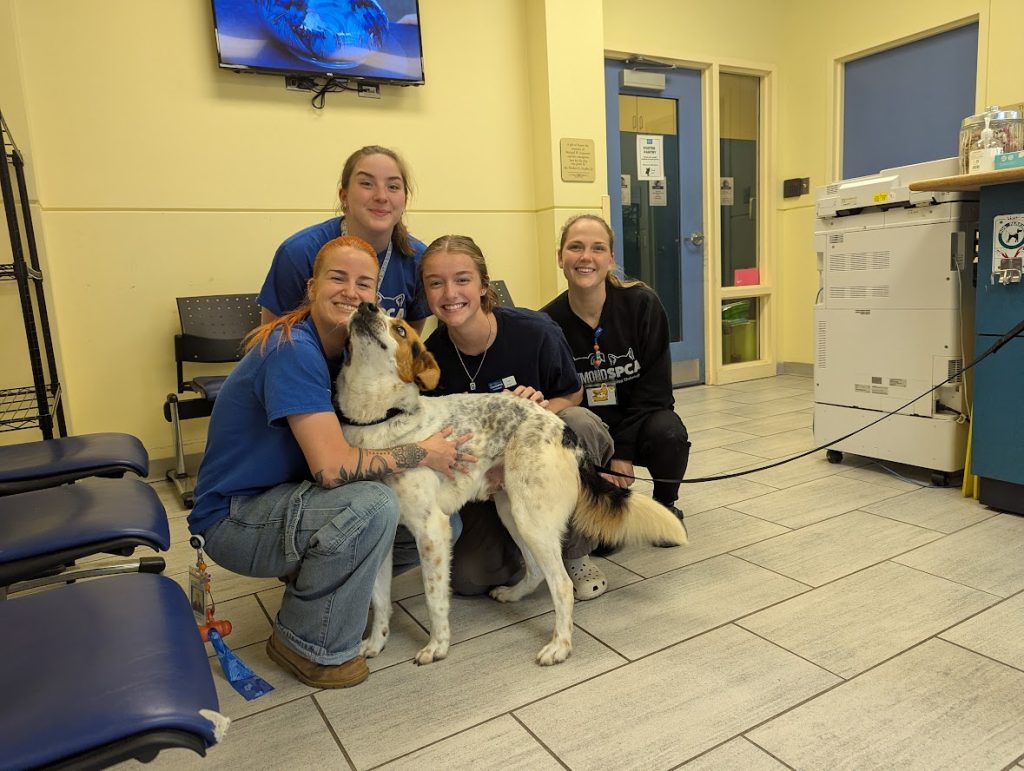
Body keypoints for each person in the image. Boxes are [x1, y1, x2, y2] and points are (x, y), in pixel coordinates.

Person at [187, 235, 472, 689]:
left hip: (282, 499)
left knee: (440, 524)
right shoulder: (294, 350)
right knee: (375, 504)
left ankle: (316, 587)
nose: (351, 292)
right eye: (337, 278)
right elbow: (332, 469)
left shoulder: (338, 351)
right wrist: (423, 452)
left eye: (364, 284)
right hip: (234, 518)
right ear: (311, 287)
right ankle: (306, 642)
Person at [418, 234, 615, 601]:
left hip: (540, 455)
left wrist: (538, 410)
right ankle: (531, 545)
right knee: (468, 577)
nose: (450, 293)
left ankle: (576, 550)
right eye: (435, 283)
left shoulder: (534, 331)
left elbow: (572, 393)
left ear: (482, 286)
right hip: (482, 478)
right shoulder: (431, 360)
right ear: (425, 294)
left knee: (579, 423)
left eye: (462, 279)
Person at [542, 214, 690, 528]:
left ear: (610, 259)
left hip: (639, 419)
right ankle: (598, 504)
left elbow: (657, 394)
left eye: (597, 248)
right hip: (589, 428)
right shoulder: (547, 323)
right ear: (560, 258)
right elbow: (557, 401)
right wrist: (605, 457)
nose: (586, 257)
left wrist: (621, 451)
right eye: (575, 247)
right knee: (603, 542)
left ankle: (665, 506)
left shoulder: (642, 306)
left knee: (669, 432)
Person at [257, 145, 430, 331]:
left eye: (393, 187)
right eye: (366, 184)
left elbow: (407, 346)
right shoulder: (299, 253)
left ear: (405, 201)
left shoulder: (419, 260)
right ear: (344, 196)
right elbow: (270, 341)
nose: (381, 196)